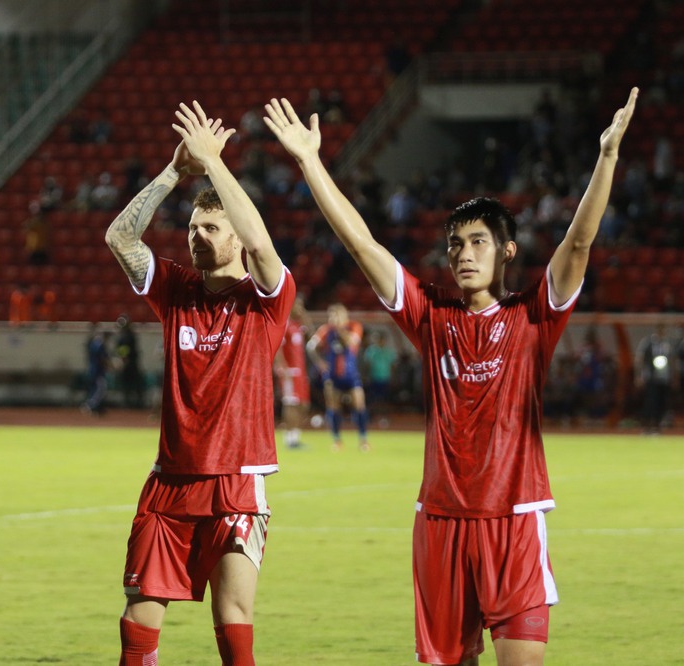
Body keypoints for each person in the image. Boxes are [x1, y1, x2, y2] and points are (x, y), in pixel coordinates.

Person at [266, 88, 638, 665]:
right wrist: (311, 161)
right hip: (439, 524)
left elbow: (579, 242)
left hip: (514, 522)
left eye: (478, 242)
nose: (463, 254)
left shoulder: (533, 318)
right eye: (455, 245)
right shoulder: (431, 315)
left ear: (507, 250)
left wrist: (608, 156)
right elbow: (361, 244)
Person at [105, 101, 295, 666]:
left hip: (236, 478)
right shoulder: (176, 289)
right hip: (169, 483)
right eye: (192, 227)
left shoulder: (265, 301)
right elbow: (119, 238)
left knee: (232, 622)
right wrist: (175, 172)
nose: (197, 236)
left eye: (211, 227)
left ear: (235, 236)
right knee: (137, 620)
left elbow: (263, 249)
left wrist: (215, 165)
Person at [306, 303, 370, 451]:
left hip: (351, 374)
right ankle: (336, 440)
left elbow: (351, 342)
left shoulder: (354, 327)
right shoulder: (325, 330)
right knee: (333, 407)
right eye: (331, 316)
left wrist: (340, 329)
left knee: (359, 405)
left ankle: (363, 439)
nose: (333, 319)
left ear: (344, 315)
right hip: (332, 375)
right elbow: (310, 346)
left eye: (336, 315)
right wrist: (320, 363)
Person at [275, 296, 311, 449]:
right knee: (291, 404)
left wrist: (304, 315)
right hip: (289, 372)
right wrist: (281, 367)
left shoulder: (298, 326)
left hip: (300, 372)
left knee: (304, 405)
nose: (300, 309)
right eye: (298, 306)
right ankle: (290, 439)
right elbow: (278, 348)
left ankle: (295, 436)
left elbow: (311, 333)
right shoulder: (285, 325)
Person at [636, 323, 674, 434]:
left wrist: (673, 375)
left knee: (662, 402)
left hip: (664, 378)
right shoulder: (648, 342)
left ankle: (657, 426)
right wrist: (639, 375)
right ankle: (646, 426)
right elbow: (640, 358)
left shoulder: (667, 344)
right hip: (651, 377)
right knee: (651, 401)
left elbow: (672, 360)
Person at [114, 313, 145, 409]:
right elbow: (121, 350)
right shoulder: (124, 336)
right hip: (128, 363)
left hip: (130, 363)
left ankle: (136, 402)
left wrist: (124, 360)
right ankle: (129, 402)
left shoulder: (128, 336)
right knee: (127, 384)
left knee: (134, 384)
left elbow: (124, 350)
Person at [82, 324, 110, 415]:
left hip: (93, 369)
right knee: (100, 388)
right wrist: (109, 365)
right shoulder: (99, 344)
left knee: (95, 389)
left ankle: (96, 407)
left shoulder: (93, 343)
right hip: (98, 371)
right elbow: (102, 359)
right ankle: (90, 405)